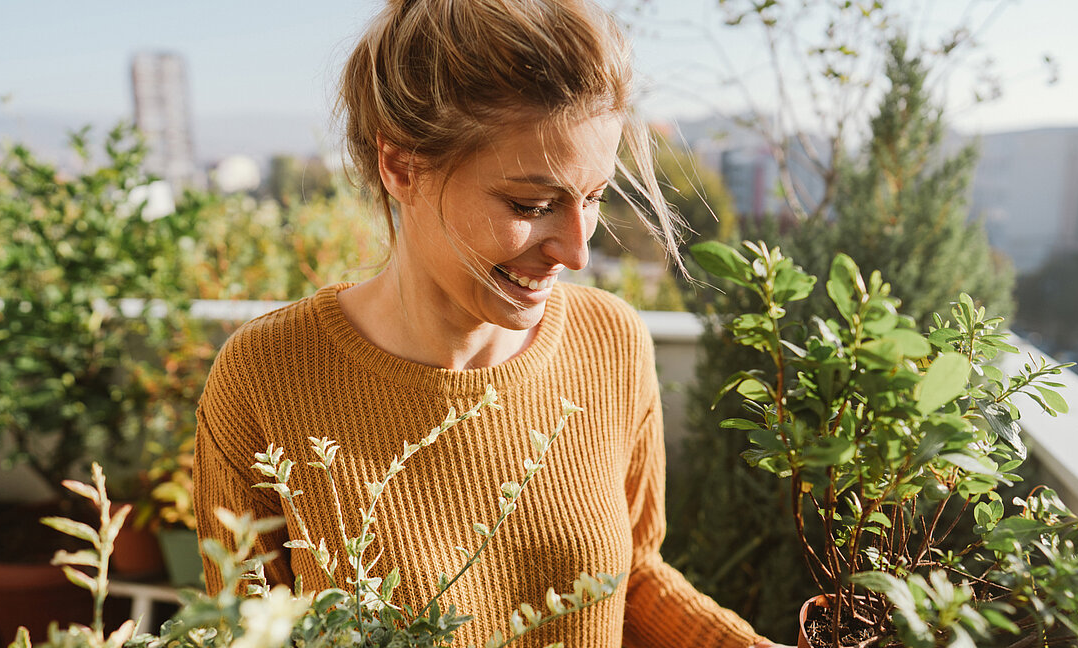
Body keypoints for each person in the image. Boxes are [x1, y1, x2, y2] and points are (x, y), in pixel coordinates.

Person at [193, 1, 779, 646]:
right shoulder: (265, 378)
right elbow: (247, 632)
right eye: (532, 204)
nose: (577, 252)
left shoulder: (612, 341)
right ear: (401, 166)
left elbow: (632, 577)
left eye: (593, 197)